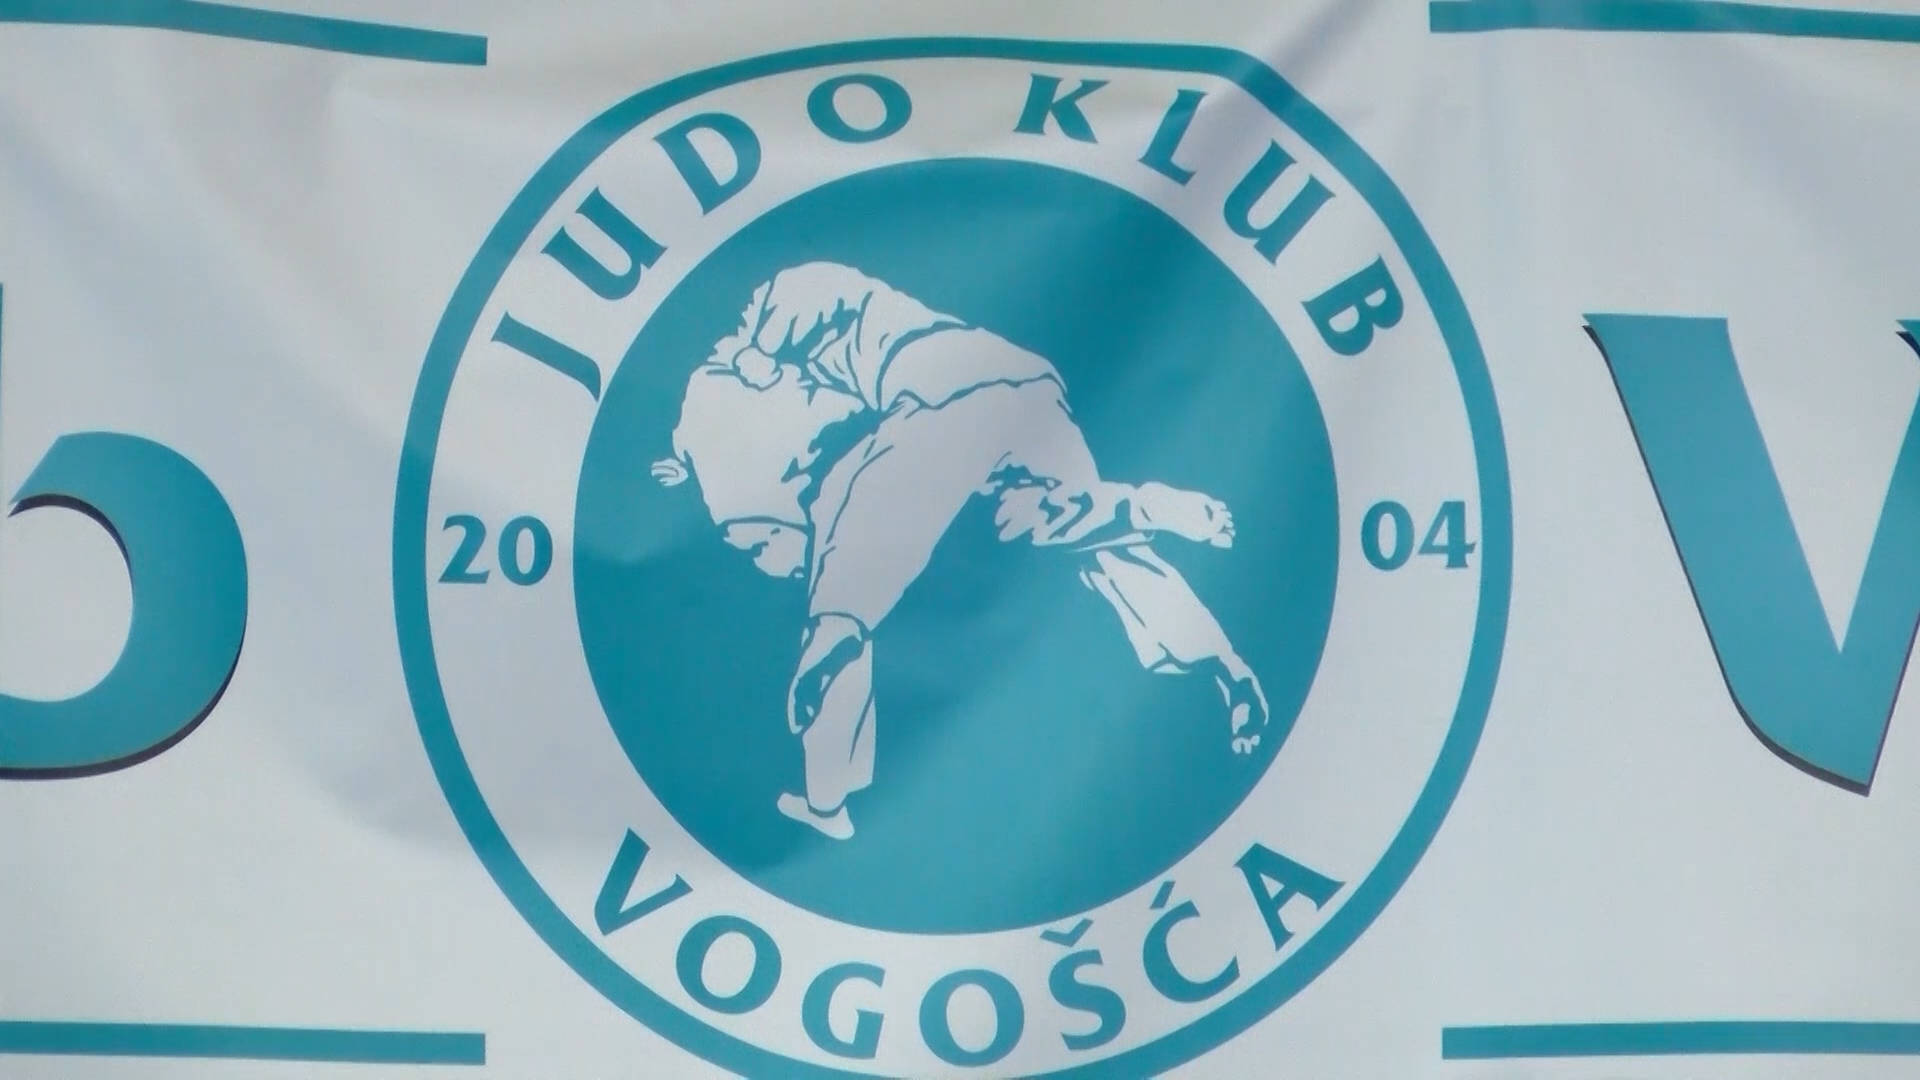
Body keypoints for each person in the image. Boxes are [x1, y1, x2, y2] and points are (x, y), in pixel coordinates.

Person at [659, 262, 1268, 840]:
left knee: (845, 530)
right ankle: (1213, 647)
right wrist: (686, 457)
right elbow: (788, 414)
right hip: (1031, 391)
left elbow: (772, 354)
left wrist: (752, 355)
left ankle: (827, 784)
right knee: (1072, 537)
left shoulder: (789, 300)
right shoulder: (846, 346)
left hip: (944, 395)